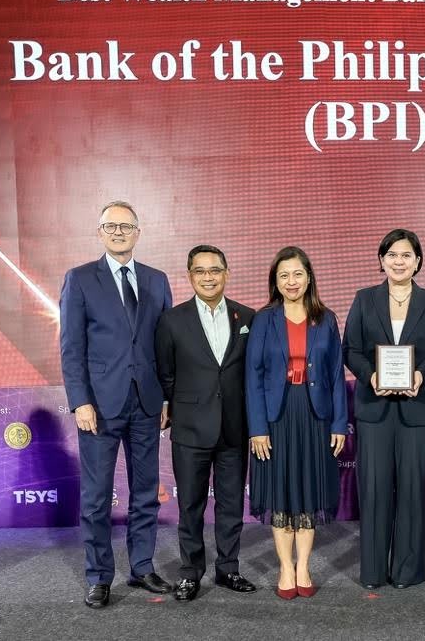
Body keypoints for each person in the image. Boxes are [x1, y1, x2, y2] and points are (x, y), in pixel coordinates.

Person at [59, 200, 173, 609]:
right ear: (100, 232)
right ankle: (99, 576)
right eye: (111, 226)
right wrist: (80, 402)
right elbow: (71, 348)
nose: (119, 232)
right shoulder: (80, 279)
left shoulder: (157, 280)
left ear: (139, 232)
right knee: (96, 496)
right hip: (99, 407)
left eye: (126, 226)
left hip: (146, 402)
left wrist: (166, 396)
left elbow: (165, 346)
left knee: (145, 492)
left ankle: (142, 568)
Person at [343, 229, 425, 590]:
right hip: (374, 409)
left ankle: (407, 571)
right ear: (381, 261)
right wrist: (371, 376)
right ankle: (372, 570)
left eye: (406, 255)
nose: (399, 262)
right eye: (392, 255)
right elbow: (351, 350)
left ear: (418, 261)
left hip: (416, 411)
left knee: (411, 491)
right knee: (372, 490)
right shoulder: (364, 298)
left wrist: (421, 374)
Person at [154, 245, 257, 602]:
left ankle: (229, 569)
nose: (208, 277)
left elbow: (251, 372)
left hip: (233, 427)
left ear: (227, 273)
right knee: (191, 506)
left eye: (215, 270)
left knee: (231, 504)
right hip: (190, 428)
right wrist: (176, 405)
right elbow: (165, 373)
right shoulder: (171, 320)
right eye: (200, 271)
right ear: (190, 276)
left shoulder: (247, 317)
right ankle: (190, 572)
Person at [246, 246, 347, 600]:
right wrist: (257, 427)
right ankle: (285, 569)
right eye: (284, 275)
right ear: (276, 280)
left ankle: (303, 566)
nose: (291, 282)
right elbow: (253, 376)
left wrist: (338, 424)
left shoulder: (327, 318)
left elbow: (336, 376)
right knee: (282, 492)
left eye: (298, 274)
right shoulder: (264, 319)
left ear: (309, 278)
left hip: (315, 415)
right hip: (276, 417)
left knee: (307, 492)